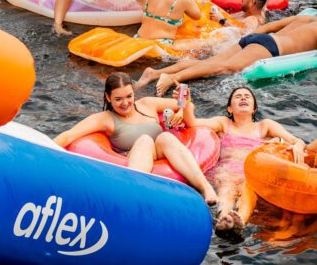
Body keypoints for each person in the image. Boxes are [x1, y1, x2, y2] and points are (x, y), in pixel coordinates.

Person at [54, 73, 217, 204]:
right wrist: (43, 148)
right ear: (108, 97)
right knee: (145, 140)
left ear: (133, 93)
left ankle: (205, 188)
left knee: (166, 136)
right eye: (118, 99)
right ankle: (136, 193)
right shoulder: (105, 118)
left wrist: (184, 107)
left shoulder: (148, 104)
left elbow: (187, 111)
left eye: (129, 96)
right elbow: (70, 135)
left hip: (159, 151)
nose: (125, 103)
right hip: (133, 157)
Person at [138, 3, 317, 95]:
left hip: (260, 38)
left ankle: (155, 73)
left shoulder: (310, 19)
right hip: (270, 48)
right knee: (223, 68)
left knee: (210, 63)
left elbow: (271, 26)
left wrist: (250, 37)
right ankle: (171, 79)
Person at [181, 85, 305, 235]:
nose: (243, 98)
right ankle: (224, 217)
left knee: (248, 190)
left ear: (254, 109)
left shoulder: (264, 126)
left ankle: (240, 220)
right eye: (238, 96)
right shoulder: (224, 124)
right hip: (227, 172)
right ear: (230, 109)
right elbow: (193, 123)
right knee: (227, 190)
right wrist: (186, 102)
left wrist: (297, 144)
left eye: (247, 96)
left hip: (251, 173)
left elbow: (295, 140)